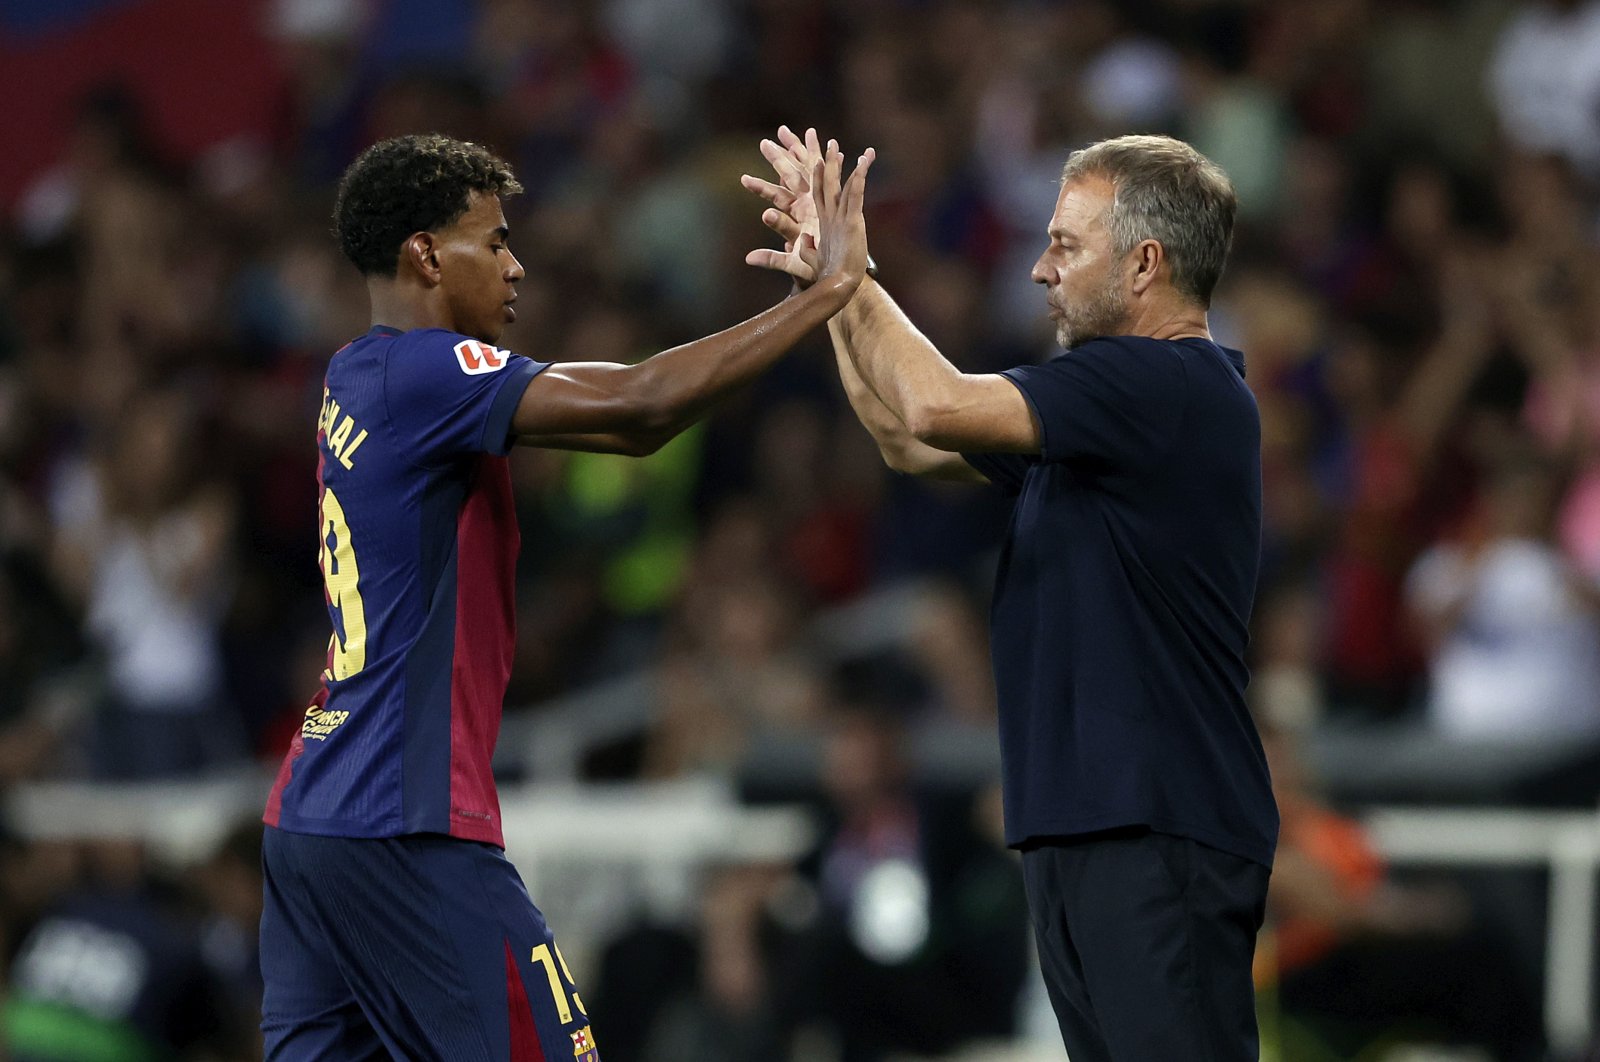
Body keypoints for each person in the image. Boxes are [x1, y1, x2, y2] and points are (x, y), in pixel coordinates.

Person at [259, 132, 873, 1060]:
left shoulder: (355, 375)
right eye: (494, 241)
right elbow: (637, 407)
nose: (517, 265)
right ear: (427, 253)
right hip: (405, 819)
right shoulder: (425, 371)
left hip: (311, 818)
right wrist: (825, 294)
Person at [746, 127, 1276, 1061]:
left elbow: (934, 404)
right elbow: (905, 442)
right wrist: (831, 291)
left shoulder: (1165, 383)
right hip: (1087, 824)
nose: (1040, 270)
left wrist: (853, 274)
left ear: (1146, 262)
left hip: (1157, 825)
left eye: (1066, 244)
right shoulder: (1105, 417)